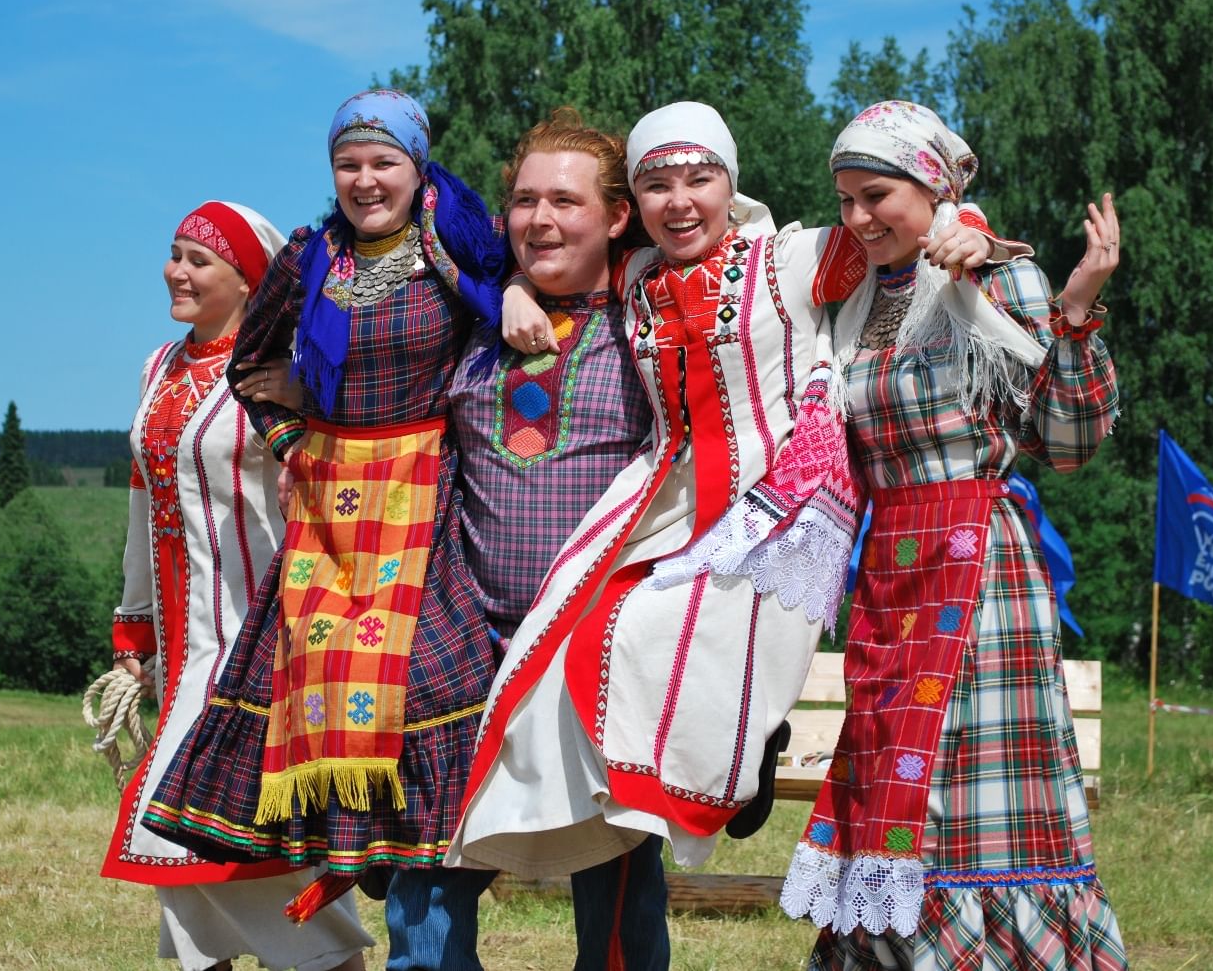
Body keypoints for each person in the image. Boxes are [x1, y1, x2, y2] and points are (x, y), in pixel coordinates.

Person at [450, 101, 1006, 880]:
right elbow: (556, 249)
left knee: (644, 629)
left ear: (729, 182)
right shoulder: (638, 271)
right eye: (657, 184)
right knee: (562, 640)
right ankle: (608, 808)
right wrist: (514, 288)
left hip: (776, 497)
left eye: (698, 179)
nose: (679, 200)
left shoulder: (793, 256)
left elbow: (900, 222)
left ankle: (735, 765)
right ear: (634, 204)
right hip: (667, 494)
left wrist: (966, 223)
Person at [143, 91, 536, 971]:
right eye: (348, 164)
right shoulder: (308, 257)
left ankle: (425, 943)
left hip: (428, 498)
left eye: (382, 161)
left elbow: (513, 297)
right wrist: (291, 443)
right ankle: (350, 919)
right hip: (327, 509)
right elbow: (250, 363)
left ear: (415, 164)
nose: (365, 180)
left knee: (423, 697)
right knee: (321, 706)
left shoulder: (460, 242)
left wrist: (510, 291)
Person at [777, 100, 1126, 970]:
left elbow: (1069, 444)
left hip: (979, 573)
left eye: (877, 194)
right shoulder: (851, 299)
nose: (858, 218)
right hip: (887, 573)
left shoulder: (998, 279)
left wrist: (1074, 311)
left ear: (930, 186)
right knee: (890, 792)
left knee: (959, 794)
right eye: (845, 199)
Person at [101, 201, 371, 971]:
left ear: (247, 281)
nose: (176, 271)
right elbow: (140, 500)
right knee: (182, 850)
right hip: (188, 649)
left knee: (242, 844)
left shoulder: (279, 369)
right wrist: (134, 631)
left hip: (264, 645)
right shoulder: (157, 368)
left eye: (199, 259)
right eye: (174, 252)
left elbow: (327, 491)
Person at [446, 107, 669, 969]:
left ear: (616, 216)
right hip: (468, 647)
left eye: (566, 202)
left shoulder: (655, 323)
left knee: (616, 899)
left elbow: (745, 225)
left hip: (595, 651)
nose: (541, 219)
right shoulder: (464, 325)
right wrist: (502, 284)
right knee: (433, 879)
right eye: (524, 201)